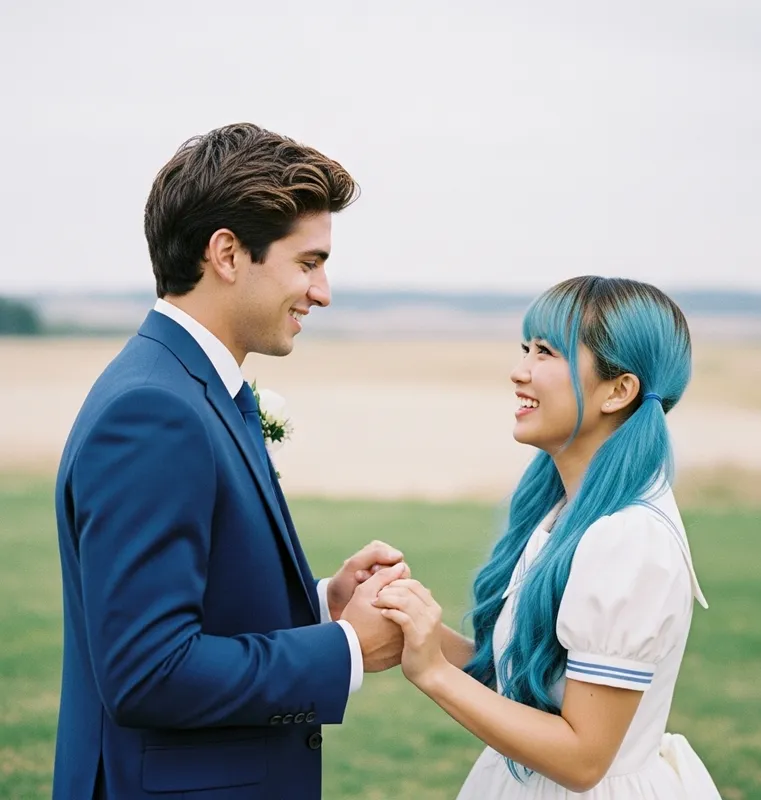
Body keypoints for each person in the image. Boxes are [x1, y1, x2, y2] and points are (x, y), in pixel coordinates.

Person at [53, 123, 408, 800]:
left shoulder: (190, 387)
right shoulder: (154, 412)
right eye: (308, 263)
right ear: (227, 254)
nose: (323, 292)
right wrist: (346, 649)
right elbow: (148, 671)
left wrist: (323, 605)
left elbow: (201, 600)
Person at [375, 276, 722, 798]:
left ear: (619, 391)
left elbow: (583, 760)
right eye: (526, 349)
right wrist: (411, 623)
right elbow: (530, 690)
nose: (520, 371)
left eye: (546, 352)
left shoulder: (628, 538)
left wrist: (434, 675)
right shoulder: (567, 513)